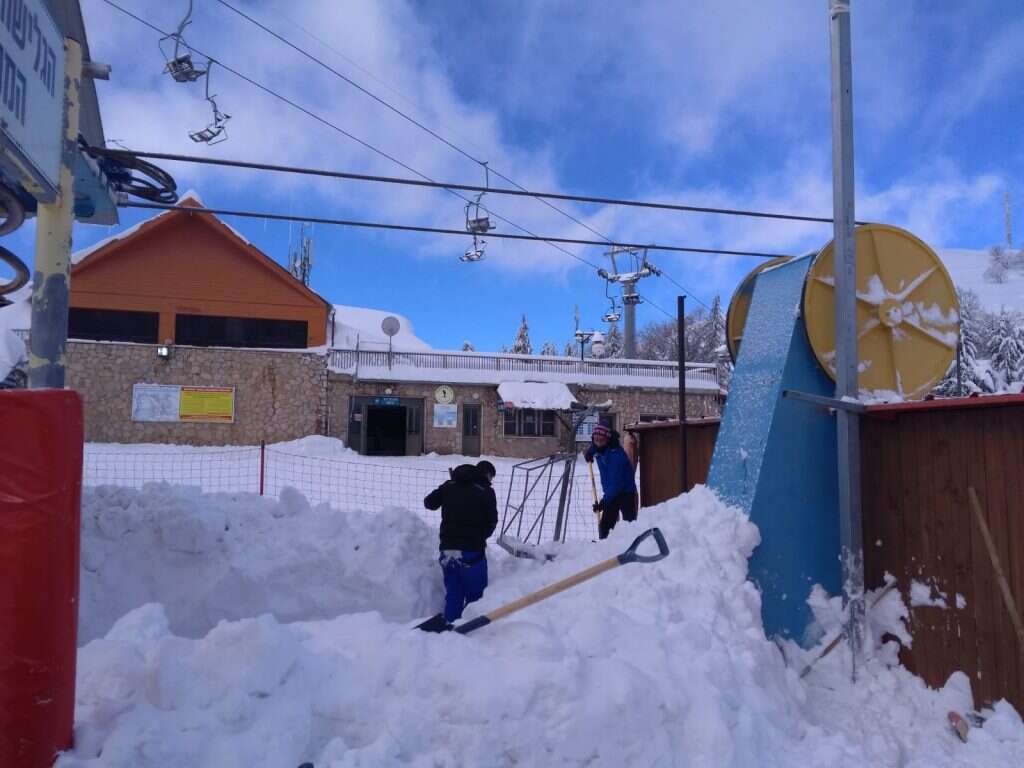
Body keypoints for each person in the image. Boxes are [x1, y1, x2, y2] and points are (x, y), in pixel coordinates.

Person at [423, 460, 498, 628]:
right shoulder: (486, 491)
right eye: (491, 477)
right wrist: (480, 538)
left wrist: (447, 491)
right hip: (473, 552)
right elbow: (492, 522)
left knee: (454, 593)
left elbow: (429, 503)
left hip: (448, 549)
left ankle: (449, 627)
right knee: (476, 596)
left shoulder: (450, 485)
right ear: (486, 474)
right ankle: (472, 632)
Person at [584, 423, 638, 539]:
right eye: (595, 439)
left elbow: (616, 484)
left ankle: (629, 546)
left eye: (601, 440)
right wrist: (590, 452)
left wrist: (603, 502)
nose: (598, 442)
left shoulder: (616, 456)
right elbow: (595, 446)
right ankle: (604, 548)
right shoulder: (600, 449)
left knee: (630, 525)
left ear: (607, 440)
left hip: (625, 493)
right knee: (605, 526)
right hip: (611, 492)